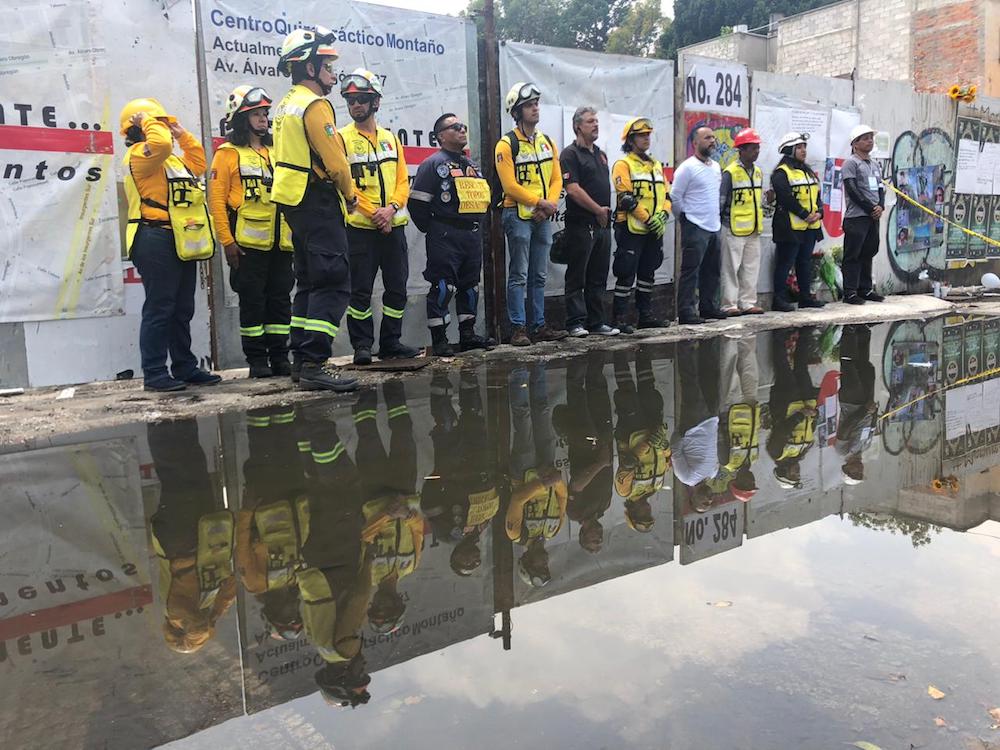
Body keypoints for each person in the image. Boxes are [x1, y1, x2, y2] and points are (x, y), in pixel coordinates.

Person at [271, 27, 358, 392]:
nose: (333, 73)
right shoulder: (314, 105)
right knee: (333, 280)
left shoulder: (285, 103)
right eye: (326, 64)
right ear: (309, 67)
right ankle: (315, 363)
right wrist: (351, 194)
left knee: (308, 281)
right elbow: (335, 163)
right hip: (317, 199)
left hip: (295, 202)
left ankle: (299, 362)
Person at [119, 98, 221, 392]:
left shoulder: (171, 161)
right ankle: (154, 373)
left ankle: (185, 367)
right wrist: (149, 121)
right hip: (153, 237)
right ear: (139, 128)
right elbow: (161, 144)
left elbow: (199, 163)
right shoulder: (141, 155)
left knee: (181, 308)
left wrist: (180, 131)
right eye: (157, 123)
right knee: (160, 306)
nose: (163, 128)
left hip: (179, 238)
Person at [209, 86, 294, 379]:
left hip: (281, 243)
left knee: (280, 301)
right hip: (246, 245)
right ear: (241, 118)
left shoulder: (277, 151)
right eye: (256, 114)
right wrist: (227, 242)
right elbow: (217, 202)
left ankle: (281, 356)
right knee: (253, 302)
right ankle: (257, 360)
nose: (263, 120)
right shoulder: (227, 153)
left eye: (265, 114)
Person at [339, 69, 421, 365]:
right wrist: (374, 212)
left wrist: (391, 209)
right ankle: (362, 345)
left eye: (362, 99)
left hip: (394, 225)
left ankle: (391, 343)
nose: (356, 105)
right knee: (360, 291)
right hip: (361, 228)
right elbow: (343, 182)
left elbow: (403, 180)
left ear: (375, 102)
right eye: (351, 101)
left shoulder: (390, 138)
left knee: (397, 288)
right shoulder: (341, 139)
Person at [409, 113, 496, 356]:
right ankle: (440, 340)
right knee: (444, 287)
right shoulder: (432, 164)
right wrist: (436, 227)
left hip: (471, 235)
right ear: (440, 137)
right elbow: (417, 204)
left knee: (470, 286)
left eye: (463, 126)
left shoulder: (471, 165)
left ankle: (467, 335)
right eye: (455, 127)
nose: (462, 130)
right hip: (445, 235)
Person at [147, 420, 236, 653]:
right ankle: (185, 419)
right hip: (200, 536)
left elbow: (194, 621)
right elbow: (231, 586)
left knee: (175, 475)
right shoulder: (205, 604)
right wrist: (215, 613)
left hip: (178, 540)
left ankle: (160, 422)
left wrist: (211, 619)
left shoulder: (175, 612)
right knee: (195, 468)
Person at [495, 82, 567, 346]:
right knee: (519, 274)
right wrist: (541, 203)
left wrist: (548, 204)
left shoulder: (547, 142)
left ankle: (539, 325)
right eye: (528, 105)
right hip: (517, 216)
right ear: (516, 111)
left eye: (536, 103)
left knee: (539, 274)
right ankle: (518, 328)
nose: (535, 108)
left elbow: (556, 177)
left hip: (542, 216)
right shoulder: (506, 145)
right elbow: (509, 186)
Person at [505, 363, 567, 587]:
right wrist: (557, 481)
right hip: (547, 469)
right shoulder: (554, 530)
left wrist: (543, 483)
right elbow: (562, 498)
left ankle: (518, 372)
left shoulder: (516, 534)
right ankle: (539, 367)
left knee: (523, 419)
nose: (545, 562)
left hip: (524, 471)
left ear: (526, 561)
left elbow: (518, 499)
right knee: (542, 411)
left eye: (539, 566)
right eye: (546, 566)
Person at [560, 107, 619, 338]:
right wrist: (597, 210)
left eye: (597, 121)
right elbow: (573, 190)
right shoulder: (569, 154)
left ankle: (597, 322)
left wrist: (603, 214)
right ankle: (575, 322)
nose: (595, 125)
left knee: (598, 275)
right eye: (590, 121)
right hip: (581, 224)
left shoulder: (601, 154)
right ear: (577, 126)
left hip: (603, 225)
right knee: (577, 275)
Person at [611, 117, 671, 333]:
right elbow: (625, 198)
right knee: (626, 272)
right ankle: (619, 318)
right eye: (641, 135)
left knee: (648, 272)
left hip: (654, 229)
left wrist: (663, 215)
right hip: (630, 228)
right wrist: (647, 218)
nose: (646, 138)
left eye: (648, 135)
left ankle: (645, 315)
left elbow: (667, 194)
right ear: (630, 139)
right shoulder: (623, 165)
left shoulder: (655, 165)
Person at [613, 348, 672, 533]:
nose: (647, 511)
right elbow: (667, 459)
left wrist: (648, 443)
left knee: (627, 393)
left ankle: (618, 352)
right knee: (650, 392)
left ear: (632, 513)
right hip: (654, 430)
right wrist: (663, 444)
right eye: (649, 515)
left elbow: (628, 463)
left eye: (642, 515)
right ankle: (642, 350)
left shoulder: (625, 491)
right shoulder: (658, 485)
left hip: (632, 433)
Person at [672, 126, 725, 324]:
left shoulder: (716, 167)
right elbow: (675, 197)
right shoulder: (687, 168)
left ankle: (708, 307)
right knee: (690, 270)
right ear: (695, 143)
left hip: (713, 225)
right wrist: (685, 218)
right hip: (694, 225)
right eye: (707, 138)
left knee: (712, 270)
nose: (712, 141)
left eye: (713, 137)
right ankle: (686, 311)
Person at [771, 132, 825, 311]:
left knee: (805, 262)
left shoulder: (807, 171)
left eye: (804, 147)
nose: (803, 151)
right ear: (789, 150)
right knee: (785, 262)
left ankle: (805, 297)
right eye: (799, 147)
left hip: (809, 226)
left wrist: (819, 212)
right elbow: (786, 198)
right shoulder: (781, 173)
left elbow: (816, 195)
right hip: (789, 226)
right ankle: (779, 299)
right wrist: (804, 214)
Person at [719, 128, 765, 315]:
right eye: (753, 148)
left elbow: (758, 200)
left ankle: (747, 302)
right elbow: (721, 200)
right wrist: (723, 223)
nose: (756, 151)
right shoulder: (730, 172)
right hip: (734, 228)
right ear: (742, 150)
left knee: (751, 267)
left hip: (753, 229)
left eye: (757, 148)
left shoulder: (758, 172)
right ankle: (729, 304)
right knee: (730, 268)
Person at [766, 328, 819, 489]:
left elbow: (782, 430)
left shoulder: (776, 453)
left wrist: (801, 415)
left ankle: (779, 334)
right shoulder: (801, 454)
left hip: (786, 402)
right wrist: (815, 415)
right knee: (801, 367)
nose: (797, 472)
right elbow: (811, 429)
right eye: (798, 475)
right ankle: (805, 333)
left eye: (793, 474)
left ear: (782, 472)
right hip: (806, 401)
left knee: (783, 367)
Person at [841, 124, 886, 305]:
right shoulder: (851, 163)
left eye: (870, 137)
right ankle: (850, 292)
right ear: (855, 144)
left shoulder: (874, 164)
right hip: (857, 217)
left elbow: (881, 188)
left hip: (873, 216)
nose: (870, 141)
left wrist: (880, 206)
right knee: (853, 254)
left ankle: (865, 288)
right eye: (865, 138)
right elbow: (852, 189)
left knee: (869, 251)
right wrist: (869, 208)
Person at [836, 324, 878, 484]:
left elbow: (846, 426)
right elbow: (870, 427)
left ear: (846, 468)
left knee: (849, 366)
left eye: (854, 473)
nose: (859, 470)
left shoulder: (842, 451)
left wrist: (864, 411)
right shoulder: (865, 447)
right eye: (860, 474)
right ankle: (864, 331)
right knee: (865, 367)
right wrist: (873, 413)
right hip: (866, 403)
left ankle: (849, 331)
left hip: (851, 401)